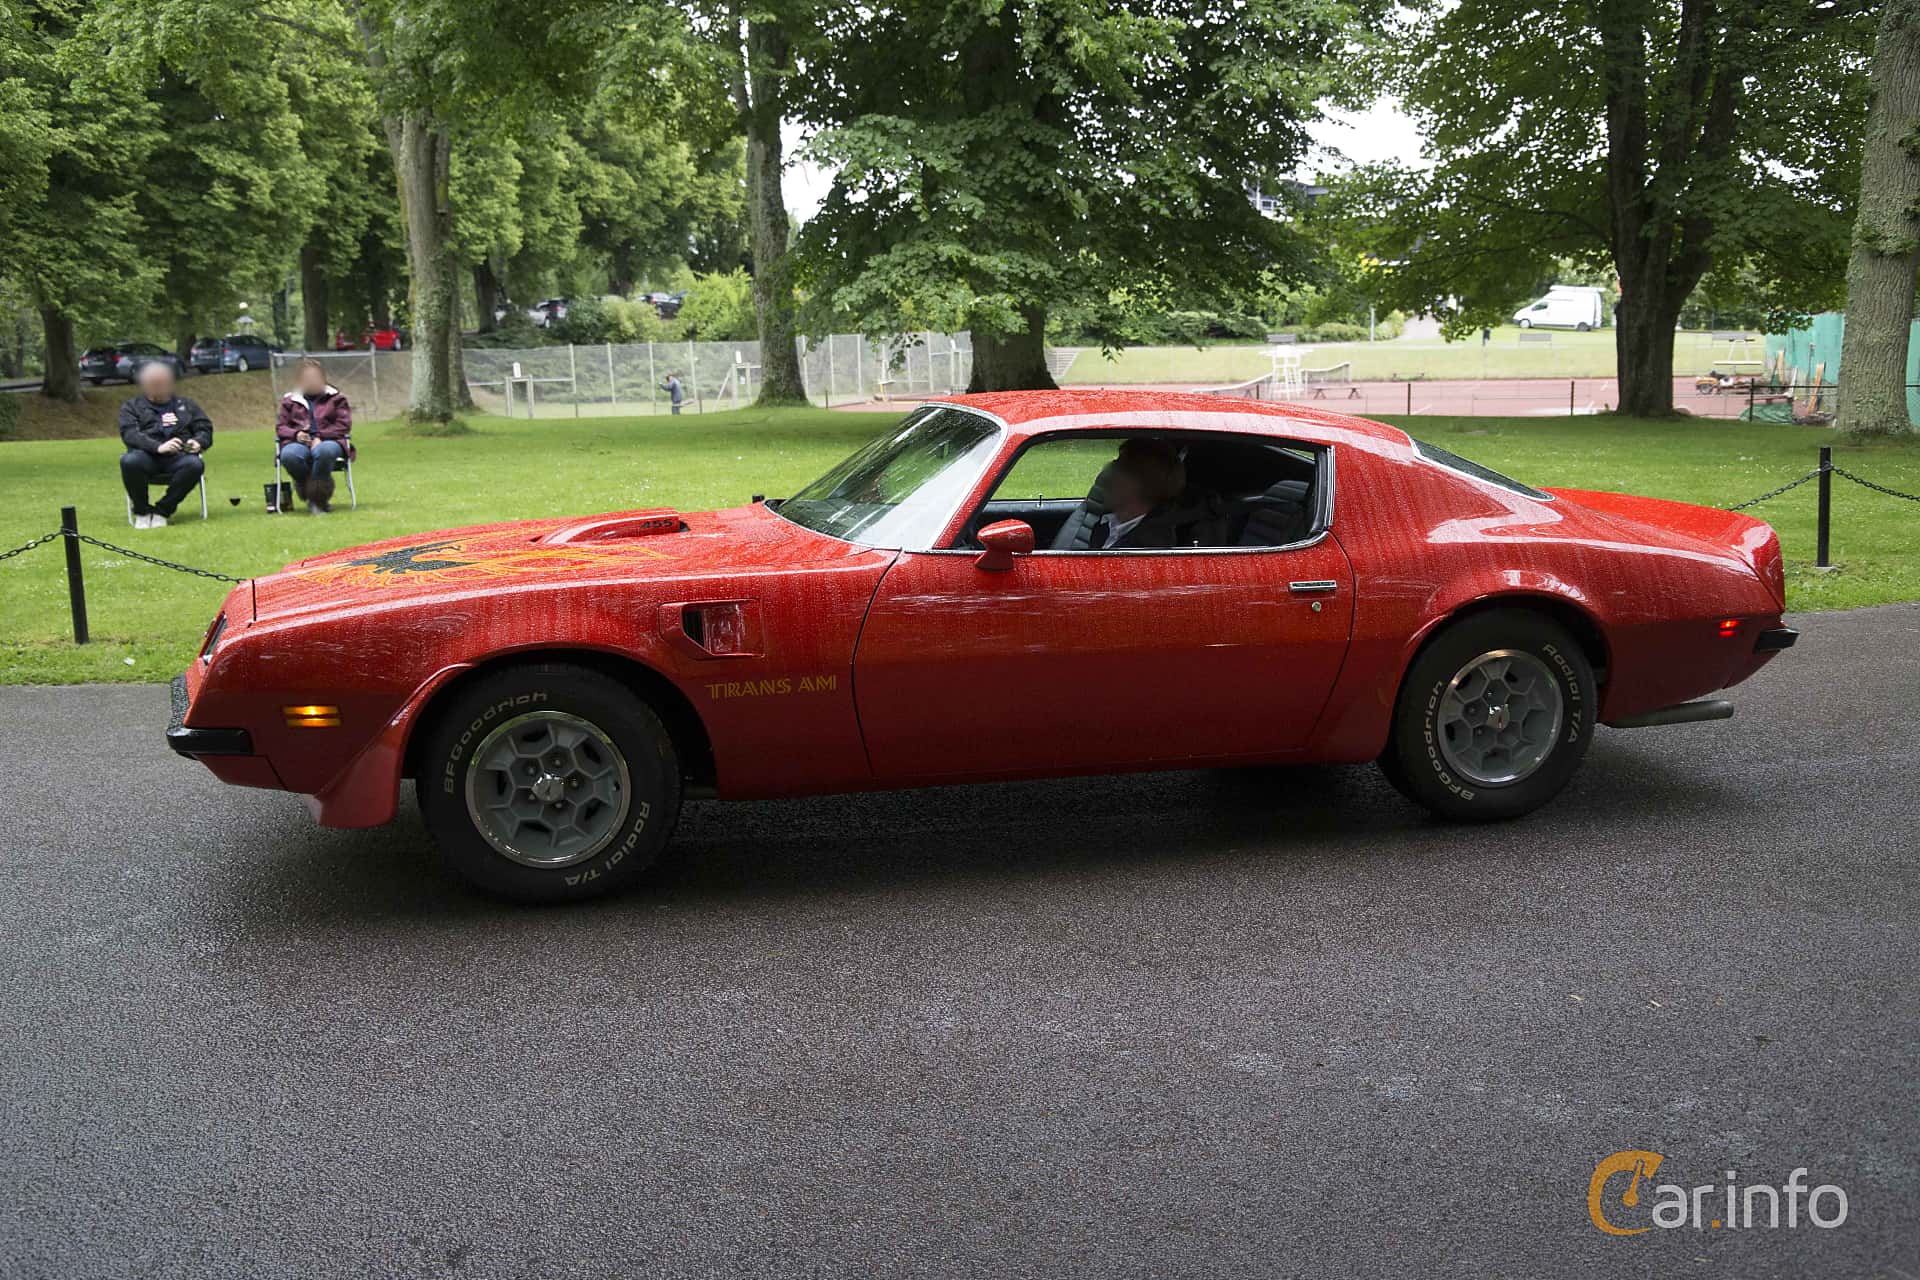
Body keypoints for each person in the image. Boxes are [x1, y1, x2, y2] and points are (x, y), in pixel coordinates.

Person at [118, 361, 211, 529]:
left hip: (178, 457)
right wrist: (158, 447)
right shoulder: (132, 407)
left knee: (195, 464)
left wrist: (198, 441)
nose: (158, 387)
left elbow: (204, 429)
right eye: (154, 383)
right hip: (146, 456)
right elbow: (130, 434)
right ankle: (142, 512)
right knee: (129, 461)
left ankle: (163, 511)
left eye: (162, 383)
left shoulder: (187, 405)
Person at [275, 357, 353, 514]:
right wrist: (296, 434)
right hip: (298, 443)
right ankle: (313, 490)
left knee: (324, 451)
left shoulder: (336, 398)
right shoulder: (289, 401)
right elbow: (281, 427)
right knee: (289, 455)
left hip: (331, 441)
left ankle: (317, 499)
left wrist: (320, 436)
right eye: (307, 378)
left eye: (315, 377)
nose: (311, 381)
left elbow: (343, 425)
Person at [1087, 439, 1184, 550]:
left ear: (1142, 483)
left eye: (1117, 468)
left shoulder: (1150, 548)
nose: (1106, 477)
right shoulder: (1107, 524)